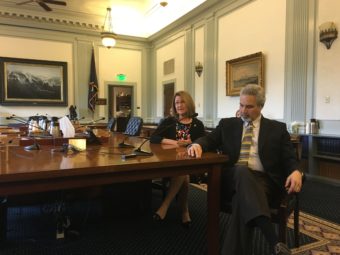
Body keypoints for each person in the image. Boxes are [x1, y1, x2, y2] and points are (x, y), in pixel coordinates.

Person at [187, 84, 303, 255]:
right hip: (231, 178)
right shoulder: (227, 124)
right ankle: (273, 240)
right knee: (241, 171)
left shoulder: (277, 129)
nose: (243, 110)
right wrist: (197, 144)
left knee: (241, 202)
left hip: (264, 182)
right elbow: (209, 140)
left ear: (261, 106)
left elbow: (289, 158)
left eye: (249, 106)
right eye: (241, 105)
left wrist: (296, 171)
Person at [150, 90, 205, 227]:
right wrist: (175, 143)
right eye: (177, 103)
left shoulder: (198, 124)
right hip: (169, 163)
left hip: (191, 164)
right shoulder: (169, 121)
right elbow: (154, 138)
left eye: (182, 102)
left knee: (184, 173)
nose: (179, 105)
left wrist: (192, 143)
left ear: (189, 104)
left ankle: (165, 207)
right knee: (183, 175)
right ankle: (184, 212)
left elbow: (202, 142)